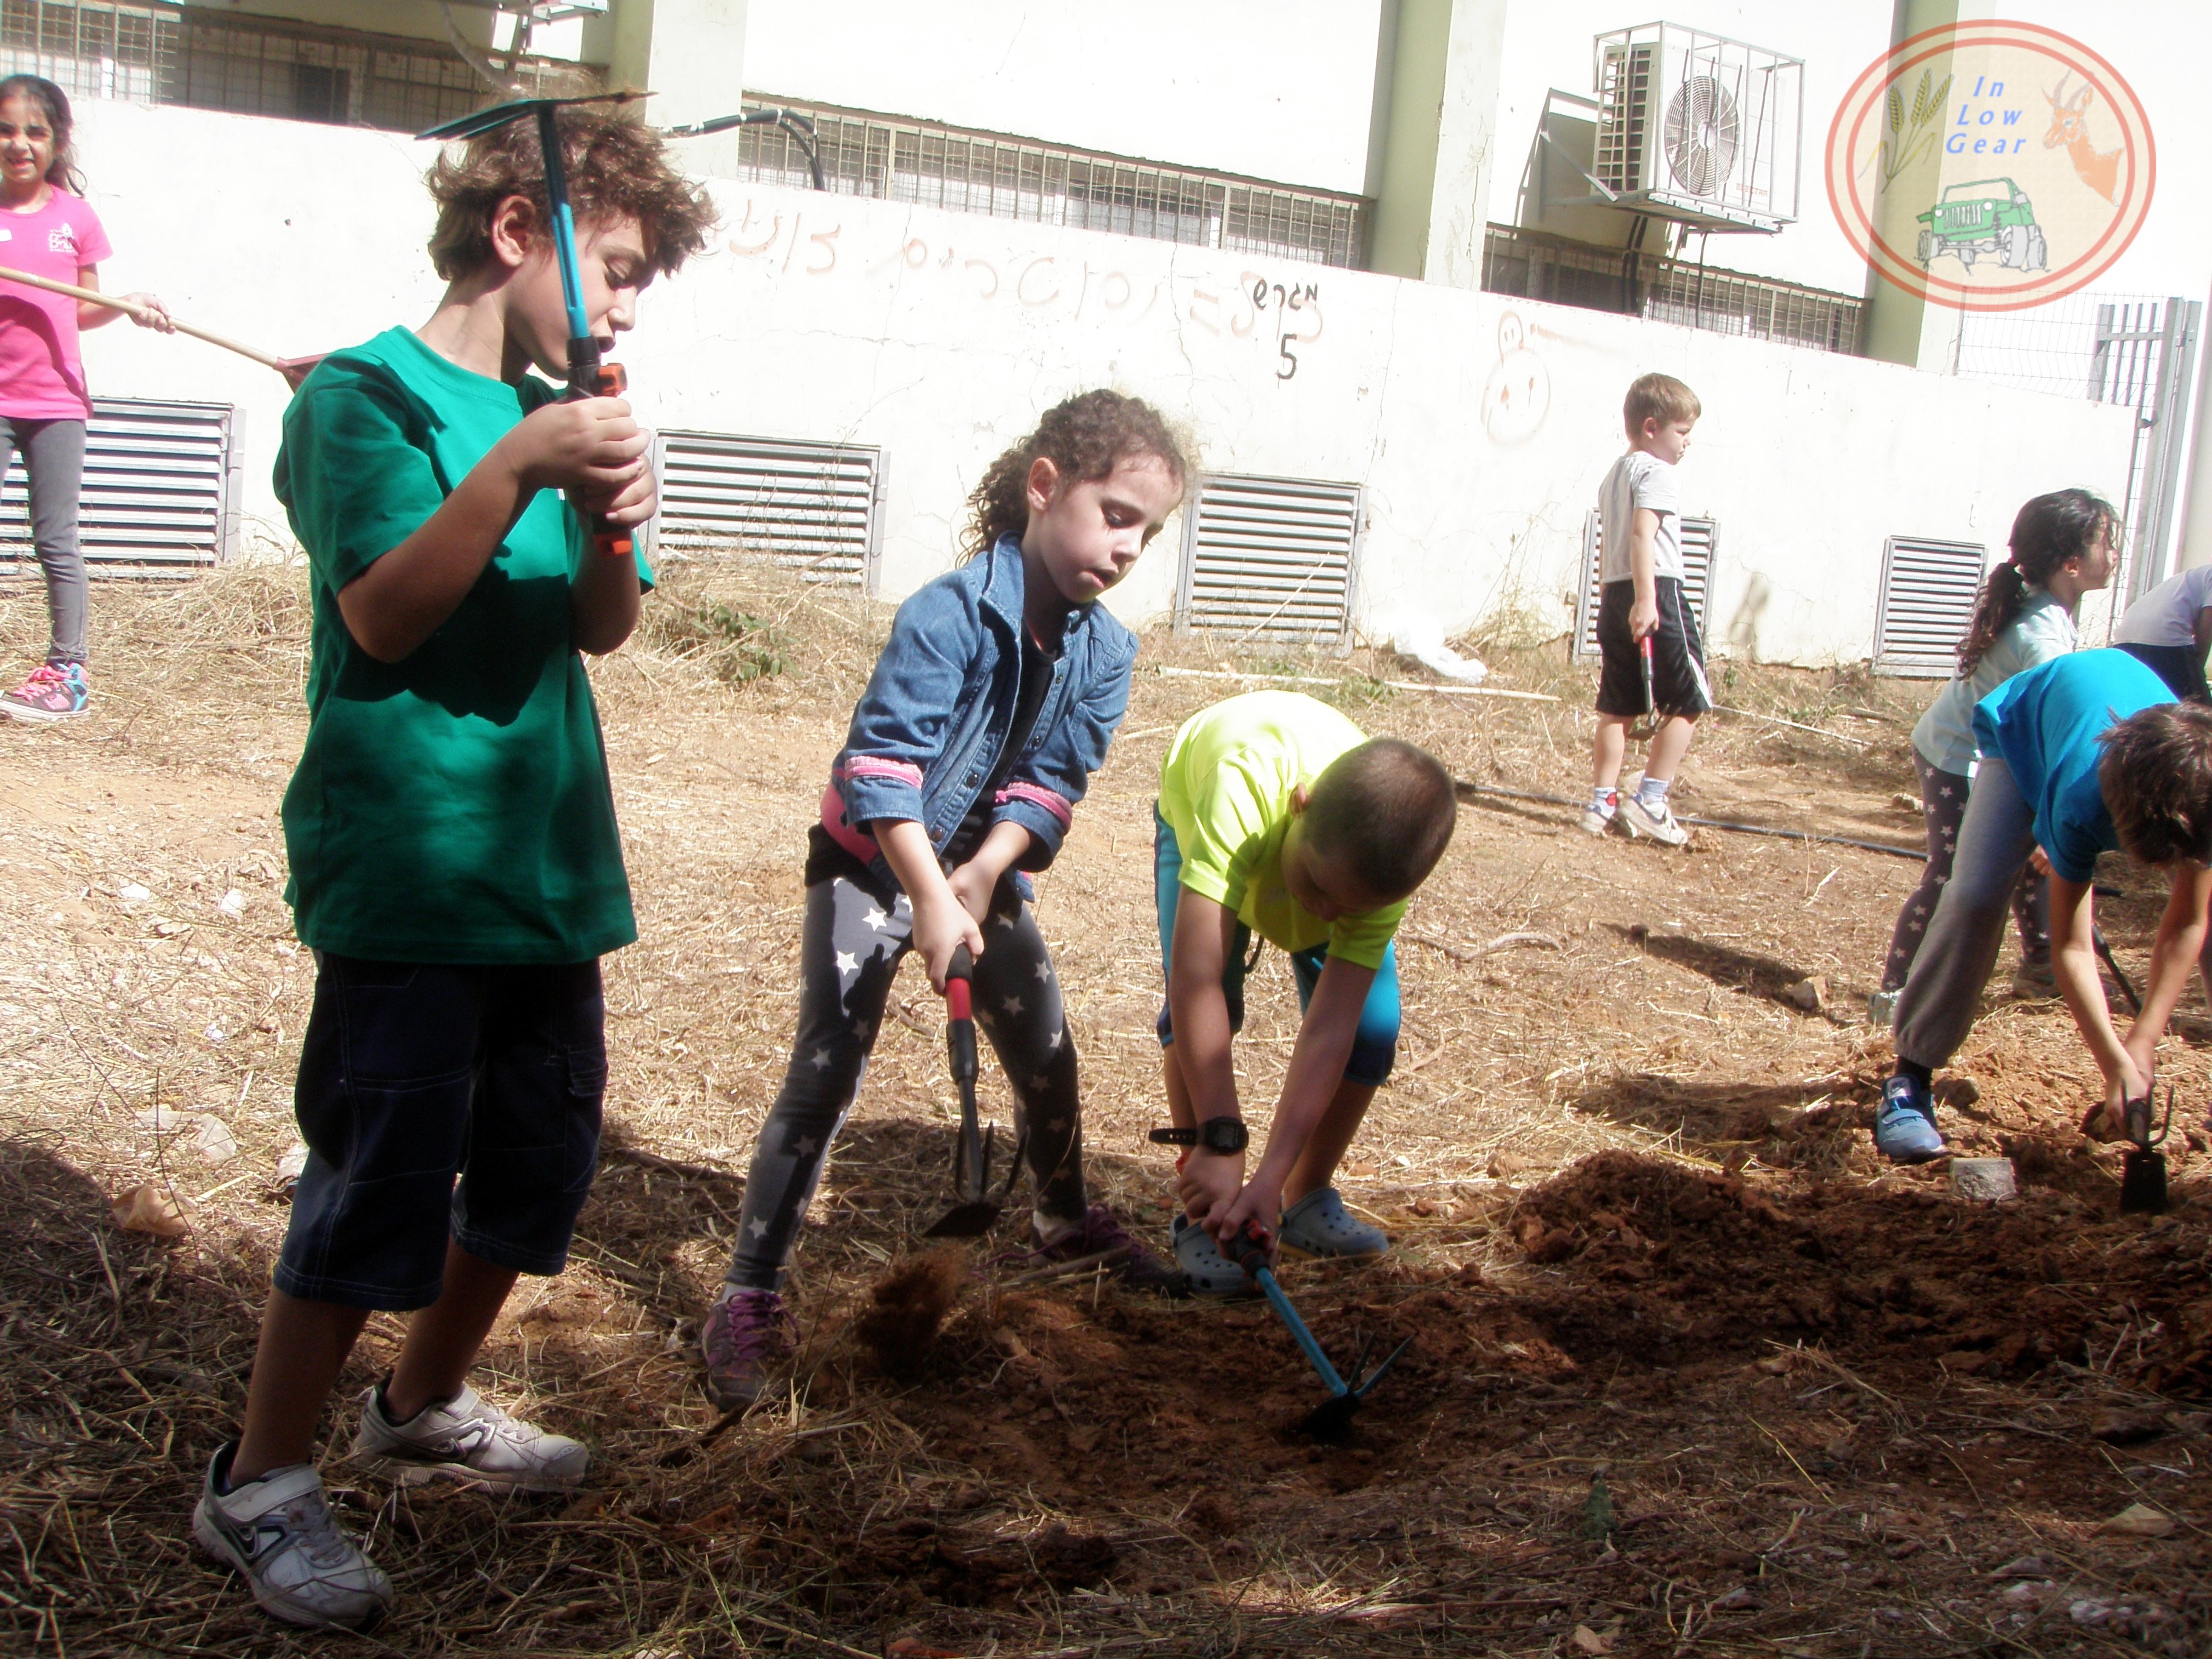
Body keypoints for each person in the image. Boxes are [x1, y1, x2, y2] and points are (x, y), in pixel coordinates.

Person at [190, 110, 714, 1630]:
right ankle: (258, 1478)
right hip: (412, 861)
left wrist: (615, 520)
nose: (621, 310)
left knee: (541, 1159)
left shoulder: (563, 413)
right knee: (381, 1176)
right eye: (614, 271)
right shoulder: (361, 400)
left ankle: (418, 1403)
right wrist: (521, 463)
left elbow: (600, 628)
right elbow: (383, 617)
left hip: (544, 863)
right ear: (514, 231)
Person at [700, 390, 1192, 1412]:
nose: (1129, 546)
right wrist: (927, 894)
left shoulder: (1107, 651)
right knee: (828, 1061)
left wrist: (978, 879)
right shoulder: (947, 613)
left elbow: (1056, 776)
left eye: (1147, 531)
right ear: (1044, 486)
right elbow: (882, 769)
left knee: (1045, 1051)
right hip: (872, 860)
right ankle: (747, 1292)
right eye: (1114, 513)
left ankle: (1062, 1219)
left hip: (977, 867)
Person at [1153, 691, 1457, 1293]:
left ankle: (1305, 1193)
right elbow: (1197, 980)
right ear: (1300, 805)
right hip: (1209, 818)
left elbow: (1331, 1030)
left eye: (1348, 909)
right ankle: (1200, 1206)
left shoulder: (1377, 875)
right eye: (1318, 887)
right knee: (1209, 1009)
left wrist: (1269, 1177)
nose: (1322, 913)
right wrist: (1223, 1137)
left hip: (1302, 847)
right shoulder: (1240, 791)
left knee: (1372, 1032)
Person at [1877, 649, 2212, 1162]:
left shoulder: (2202, 790)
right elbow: (2072, 948)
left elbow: (2188, 920)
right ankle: (1910, 1076)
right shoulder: (2080, 798)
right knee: (1976, 895)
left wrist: (2143, 1039)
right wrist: (2114, 1064)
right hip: (2026, 727)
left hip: (2157, 763)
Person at [1871, 489, 2119, 1027]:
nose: (2116, 555)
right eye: (2108, 543)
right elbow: (2054, 730)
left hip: (1998, 756)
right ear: (2072, 564)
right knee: (1951, 877)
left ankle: (2039, 969)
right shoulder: (2041, 636)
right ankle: (1895, 994)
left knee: (2029, 864)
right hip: (1958, 759)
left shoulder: (2048, 611)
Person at [0, 75, 172, 722]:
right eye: (7, 129)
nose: (19, 143)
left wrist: (127, 307)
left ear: (57, 141)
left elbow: (80, 309)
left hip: (55, 403)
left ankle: (67, 671)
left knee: (55, 538)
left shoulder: (74, 218)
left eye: (34, 131)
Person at [1584, 372, 1707, 846]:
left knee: (1617, 706)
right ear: (1652, 427)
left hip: (1615, 594)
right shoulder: (1658, 473)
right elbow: (1642, 535)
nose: (1687, 443)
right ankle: (1650, 799)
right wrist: (1648, 599)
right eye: (1682, 432)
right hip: (1654, 591)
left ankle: (1601, 803)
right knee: (1690, 700)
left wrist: (1619, 601)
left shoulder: (1615, 474)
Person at [2113, 562, 2212, 704]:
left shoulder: (2195, 576)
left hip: (2126, 636)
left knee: (2144, 703)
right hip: (2165, 636)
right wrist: (2197, 674)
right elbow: (2205, 631)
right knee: (2200, 712)